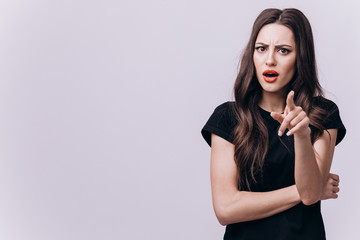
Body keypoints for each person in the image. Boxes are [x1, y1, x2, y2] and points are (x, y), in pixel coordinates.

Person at [201, 8, 346, 240]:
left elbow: (310, 195)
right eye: (261, 49)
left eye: (283, 50)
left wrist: (301, 134)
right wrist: (305, 189)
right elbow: (225, 208)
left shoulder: (322, 114)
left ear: (301, 57)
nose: (270, 60)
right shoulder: (228, 117)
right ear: (252, 55)